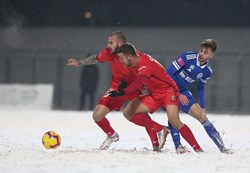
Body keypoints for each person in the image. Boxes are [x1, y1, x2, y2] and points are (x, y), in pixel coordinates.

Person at [67, 31, 169, 151]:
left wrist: (148, 87)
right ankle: (112, 135)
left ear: (120, 43)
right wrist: (79, 63)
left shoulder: (134, 55)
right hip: (116, 87)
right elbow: (95, 58)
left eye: (111, 42)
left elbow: (145, 72)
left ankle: (155, 145)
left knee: (141, 115)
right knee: (97, 115)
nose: (108, 45)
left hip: (135, 88)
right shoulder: (108, 53)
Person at [109, 43, 203, 152]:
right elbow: (132, 71)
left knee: (174, 121)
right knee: (128, 113)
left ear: (129, 57)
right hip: (153, 94)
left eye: (121, 58)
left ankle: (198, 149)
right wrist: (124, 82)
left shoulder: (145, 63)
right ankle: (160, 129)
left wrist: (123, 92)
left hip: (168, 92)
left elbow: (139, 82)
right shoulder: (134, 58)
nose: (120, 61)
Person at [166, 39, 232, 154]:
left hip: (182, 91)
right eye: (201, 50)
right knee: (173, 116)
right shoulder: (187, 57)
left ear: (211, 55)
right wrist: (178, 93)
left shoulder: (207, 71)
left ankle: (222, 147)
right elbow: (169, 73)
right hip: (168, 87)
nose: (201, 54)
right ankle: (178, 145)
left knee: (202, 116)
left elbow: (200, 87)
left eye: (205, 52)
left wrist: (202, 106)